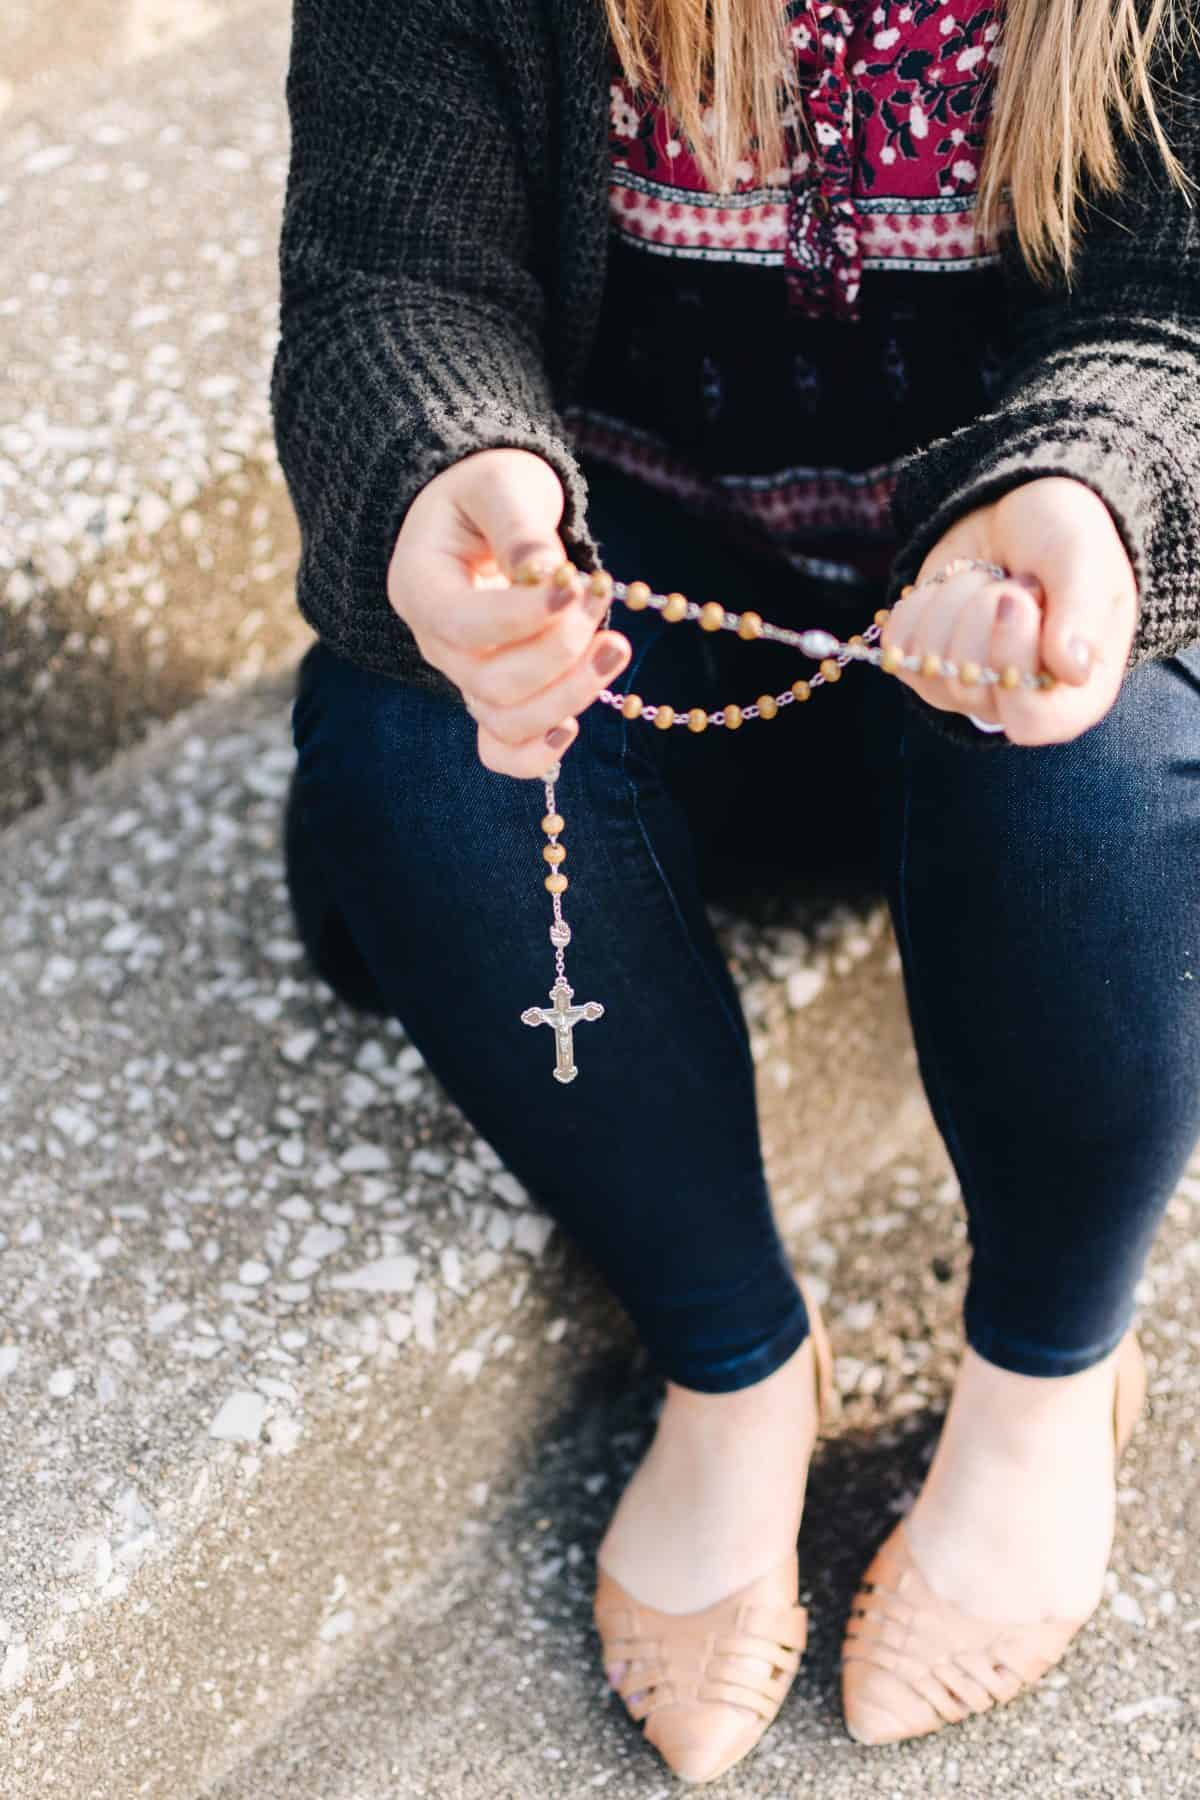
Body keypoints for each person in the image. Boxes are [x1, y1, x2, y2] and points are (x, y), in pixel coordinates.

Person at [272, 0, 1200, 1780]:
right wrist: (449, 476)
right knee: (413, 750)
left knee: (1103, 785)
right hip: (644, 614)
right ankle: (737, 1367)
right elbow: (387, 278)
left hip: (1027, 618)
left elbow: (1177, 304)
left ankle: (1049, 1374)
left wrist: (1095, 490)